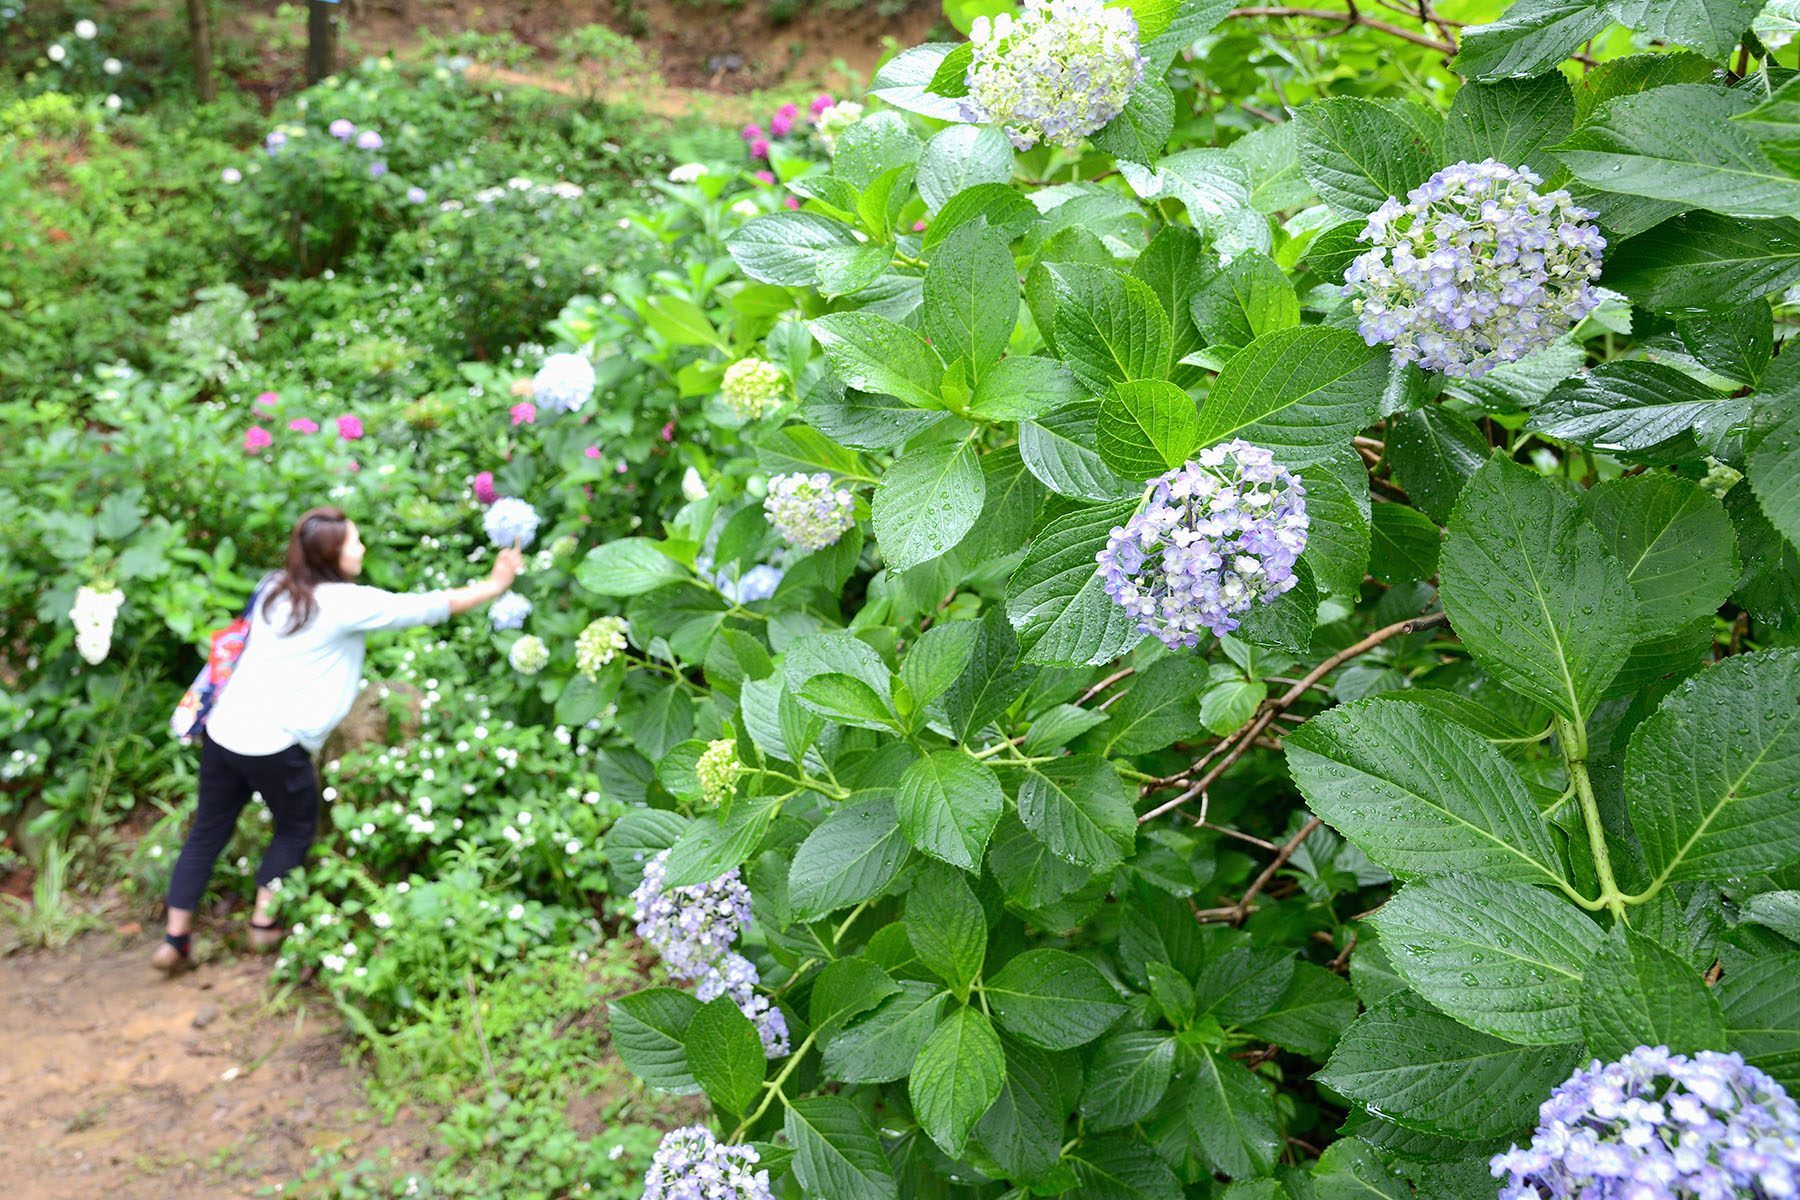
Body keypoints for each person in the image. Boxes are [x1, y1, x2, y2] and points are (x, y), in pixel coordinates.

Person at [152, 506, 524, 974]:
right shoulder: (343, 604)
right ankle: (264, 928)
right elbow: (427, 607)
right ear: (331, 554)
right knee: (295, 826)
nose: (362, 548)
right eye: (354, 541)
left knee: (207, 830)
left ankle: (176, 938)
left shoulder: (273, 587)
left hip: (224, 731)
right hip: (276, 745)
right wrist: (494, 585)